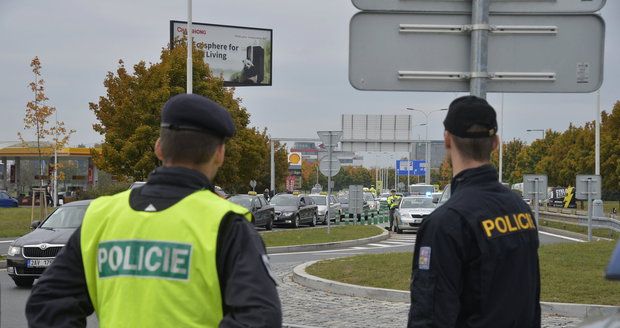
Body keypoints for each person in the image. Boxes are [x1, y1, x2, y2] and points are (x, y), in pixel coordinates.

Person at [26, 94, 282, 327]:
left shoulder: (102, 215)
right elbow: (260, 318)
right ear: (219, 154)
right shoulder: (226, 224)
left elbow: (48, 303)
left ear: (159, 147)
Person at [408, 96, 540, 327]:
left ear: (447, 140)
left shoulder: (446, 223)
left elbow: (430, 317)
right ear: (496, 143)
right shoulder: (520, 209)